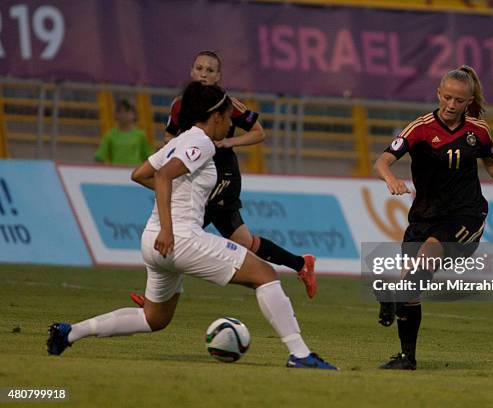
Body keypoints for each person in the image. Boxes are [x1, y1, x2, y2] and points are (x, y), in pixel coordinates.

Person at [47, 82, 337, 370]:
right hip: (178, 238)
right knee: (264, 273)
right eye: (227, 118)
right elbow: (162, 177)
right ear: (216, 117)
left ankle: (69, 333)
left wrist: (168, 215)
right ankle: (300, 354)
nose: (229, 126)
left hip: (152, 241)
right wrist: (169, 228)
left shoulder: (180, 139)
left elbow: (140, 174)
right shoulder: (201, 142)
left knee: (153, 319)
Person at [130, 50, 316, 306]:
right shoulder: (179, 104)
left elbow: (258, 133)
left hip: (222, 176)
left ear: (219, 76)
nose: (203, 74)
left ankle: (156, 298)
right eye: (199, 68)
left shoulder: (227, 104)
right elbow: (168, 137)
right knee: (242, 240)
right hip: (194, 174)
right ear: (191, 71)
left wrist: (228, 141)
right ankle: (300, 263)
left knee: (183, 229)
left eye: (210, 70)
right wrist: (175, 148)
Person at [373, 65, 493, 370]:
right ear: (438, 94)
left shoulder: (478, 130)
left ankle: (391, 297)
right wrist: (389, 177)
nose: (451, 105)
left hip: (465, 216)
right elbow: (383, 159)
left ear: (468, 101)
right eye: (447, 97)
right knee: (411, 290)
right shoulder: (420, 128)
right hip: (424, 216)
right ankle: (407, 357)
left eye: (458, 100)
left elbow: (492, 163)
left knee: (427, 255)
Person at [94, 99, 152, 165]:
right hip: (116, 172)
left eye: (127, 111)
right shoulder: (110, 134)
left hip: (134, 172)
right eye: (120, 112)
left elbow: (148, 157)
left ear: (134, 114)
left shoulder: (140, 135)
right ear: (116, 114)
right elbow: (99, 157)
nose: (124, 115)